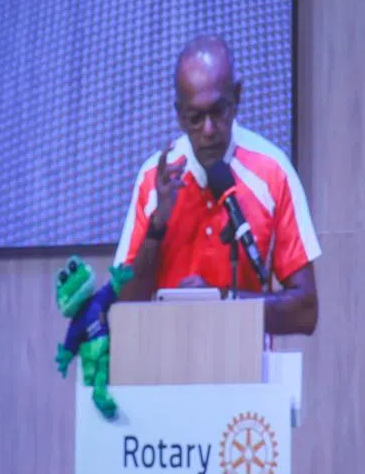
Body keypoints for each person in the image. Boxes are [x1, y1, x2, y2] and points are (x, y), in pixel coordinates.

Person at [114, 35, 322, 336]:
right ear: (179, 115)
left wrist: (221, 303)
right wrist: (156, 227)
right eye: (195, 118)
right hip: (164, 359)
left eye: (218, 111)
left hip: (244, 362)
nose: (208, 130)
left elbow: (306, 312)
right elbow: (122, 311)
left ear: (237, 97)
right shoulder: (153, 179)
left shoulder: (274, 173)